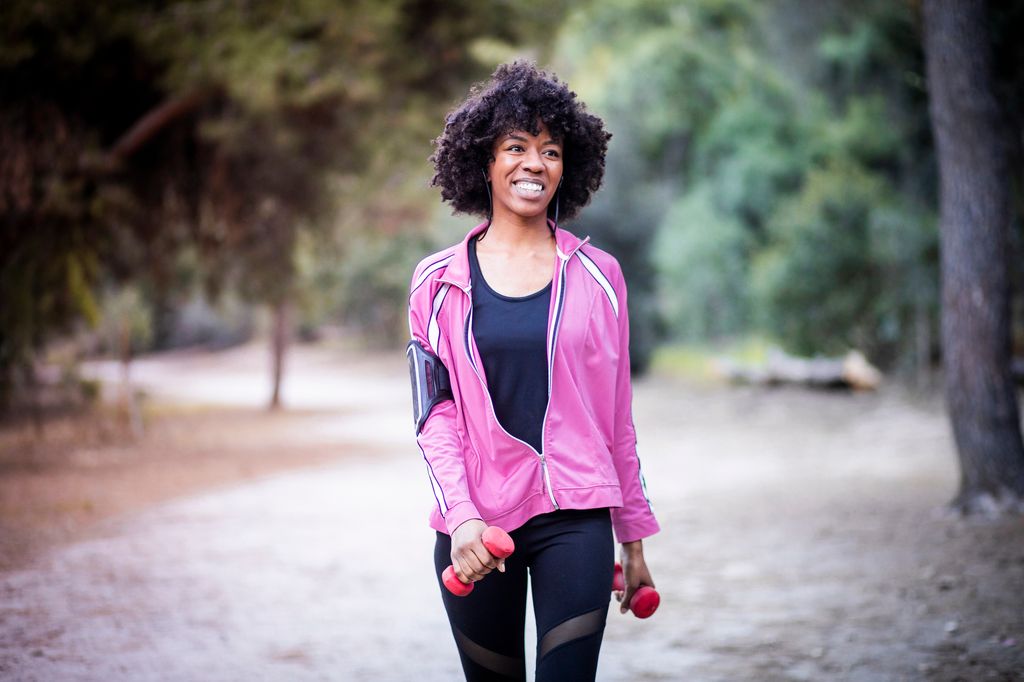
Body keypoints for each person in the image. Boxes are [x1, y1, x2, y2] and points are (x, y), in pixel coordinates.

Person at [406, 61, 659, 682]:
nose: (534, 163)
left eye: (550, 150)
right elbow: (433, 414)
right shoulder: (436, 283)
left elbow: (615, 418)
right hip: (476, 526)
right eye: (516, 147)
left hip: (576, 519)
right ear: (485, 162)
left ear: (567, 167)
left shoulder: (600, 276)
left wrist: (633, 536)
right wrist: (462, 517)